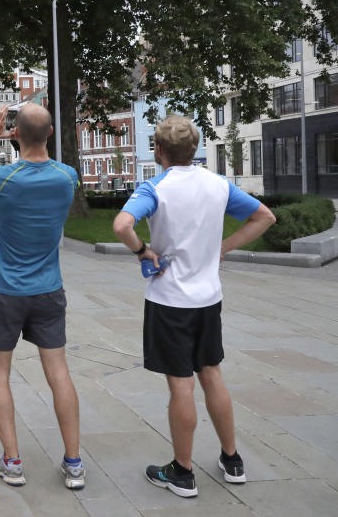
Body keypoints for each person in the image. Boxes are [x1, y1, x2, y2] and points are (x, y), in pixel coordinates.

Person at [112, 114, 275, 498]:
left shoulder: (155, 188)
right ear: (195, 149)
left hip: (169, 301)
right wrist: (222, 248)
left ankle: (182, 472)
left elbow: (121, 225)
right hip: (208, 299)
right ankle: (232, 460)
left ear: (159, 150)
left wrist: (142, 250)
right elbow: (264, 216)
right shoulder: (218, 184)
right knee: (211, 373)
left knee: (181, 385)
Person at [0, 104, 86, 490]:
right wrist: (25, 134)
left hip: (4, 291)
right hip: (48, 290)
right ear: (50, 134)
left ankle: (12, 462)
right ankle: (74, 463)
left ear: (15, 135)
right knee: (59, 374)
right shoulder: (68, 177)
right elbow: (47, 159)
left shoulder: (2, 178)